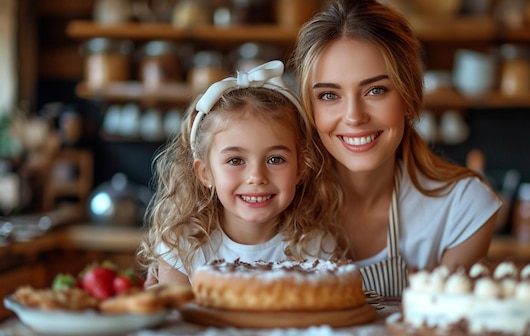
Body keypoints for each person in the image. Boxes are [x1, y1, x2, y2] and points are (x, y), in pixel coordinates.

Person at [289, 0, 502, 297]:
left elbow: (444, 331)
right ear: (309, 108)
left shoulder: (462, 208)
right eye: (329, 95)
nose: (354, 116)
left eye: (375, 90)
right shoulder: (281, 200)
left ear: (408, 94)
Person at [138, 60, 346, 287]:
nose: (256, 176)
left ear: (301, 168)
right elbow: (175, 318)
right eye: (235, 160)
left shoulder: (315, 247)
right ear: (205, 173)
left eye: (275, 159)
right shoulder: (182, 247)